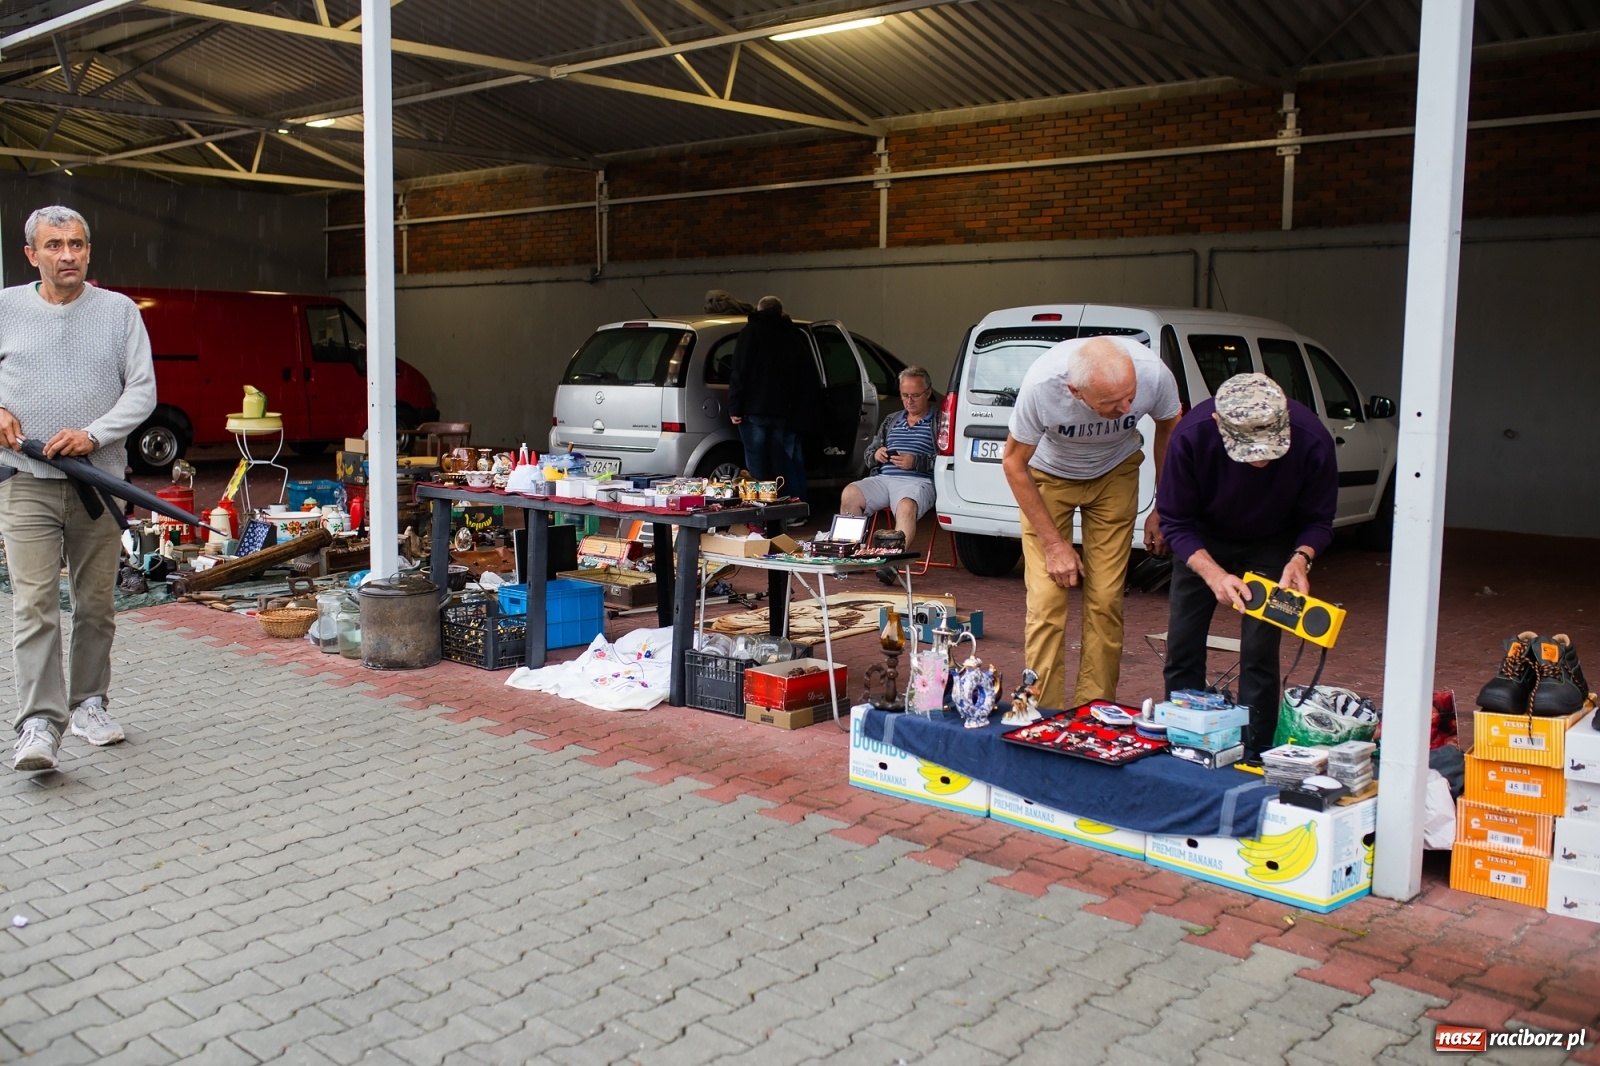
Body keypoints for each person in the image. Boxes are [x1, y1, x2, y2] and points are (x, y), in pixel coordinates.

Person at [0, 205, 157, 772]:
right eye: (54, 245)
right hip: (26, 482)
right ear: (31, 255)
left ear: (88, 251)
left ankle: (89, 703)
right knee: (35, 605)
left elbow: (142, 391)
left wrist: (93, 434)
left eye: (76, 244)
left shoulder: (118, 312)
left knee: (95, 604)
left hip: (100, 482)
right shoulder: (5, 308)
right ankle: (40, 725)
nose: (67, 255)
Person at [1156, 372, 1338, 756]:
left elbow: (1319, 519)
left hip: (1273, 541)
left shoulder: (1312, 438)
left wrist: (1301, 557)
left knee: (1260, 651)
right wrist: (1213, 574)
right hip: (1201, 539)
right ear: (1218, 422)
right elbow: (1175, 521)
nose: (1260, 460)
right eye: (1248, 450)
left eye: (1270, 448)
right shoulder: (1190, 436)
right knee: (1184, 644)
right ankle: (1184, 741)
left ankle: (1255, 750)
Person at [1003, 335, 1182, 711]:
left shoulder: (1153, 373)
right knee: (1047, 602)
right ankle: (1043, 713)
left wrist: (1163, 505)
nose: (1127, 408)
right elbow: (1014, 463)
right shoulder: (1042, 386)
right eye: (1112, 403)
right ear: (1075, 391)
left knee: (1106, 600)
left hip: (1115, 472)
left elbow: (1169, 426)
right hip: (1049, 476)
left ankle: (1095, 712)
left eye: (1130, 396)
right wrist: (1054, 545)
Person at [841, 367, 939, 586]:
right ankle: (850, 556)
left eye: (915, 395)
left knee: (906, 507)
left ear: (928, 393)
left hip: (918, 481)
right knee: (850, 493)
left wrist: (916, 462)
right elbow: (869, 454)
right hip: (884, 479)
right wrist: (877, 455)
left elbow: (950, 460)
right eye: (904, 395)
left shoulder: (939, 421)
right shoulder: (892, 420)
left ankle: (891, 563)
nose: (909, 401)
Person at [726, 295, 819, 518]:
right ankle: (784, 511)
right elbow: (803, 374)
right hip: (781, 412)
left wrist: (735, 407)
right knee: (779, 463)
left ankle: (761, 513)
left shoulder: (750, 332)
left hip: (754, 409)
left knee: (757, 464)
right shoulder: (791, 334)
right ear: (780, 311)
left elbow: (739, 371)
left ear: (759, 310)